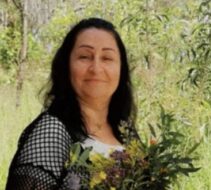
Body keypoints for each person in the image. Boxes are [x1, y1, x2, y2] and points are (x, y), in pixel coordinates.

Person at [6, 17, 138, 190]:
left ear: (121, 70)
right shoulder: (51, 133)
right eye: (84, 57)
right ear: (66, 66)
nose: (96, 68)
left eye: (107, 58)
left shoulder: (126, 133)